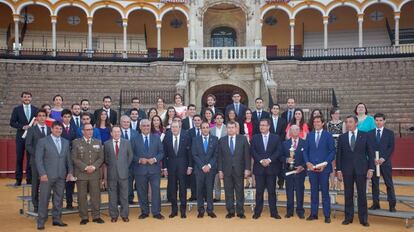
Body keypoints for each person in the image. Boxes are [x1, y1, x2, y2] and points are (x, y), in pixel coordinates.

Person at [336, 115, 374, 227]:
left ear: (356, 123)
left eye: (350, 122)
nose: (348, 124)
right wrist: (338, 170)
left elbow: (370, 153)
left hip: (361, 169)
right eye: (347, 122)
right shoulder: (342, 137)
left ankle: (363, 219)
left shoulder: (365, 135)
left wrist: (371, 168)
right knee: (348, 194)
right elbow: (339, 155)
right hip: (346, 170)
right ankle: (348, 217)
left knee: (362, 194)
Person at [35, 121, 73, 230]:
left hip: (61, 175)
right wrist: (42, 173)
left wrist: (70, 172)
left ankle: (57, 219)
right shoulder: (43, 141)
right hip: (47, 176)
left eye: (60, 129)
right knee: (44, 199)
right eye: (56, 128)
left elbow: (68, 159)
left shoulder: (65, 142)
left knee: (59, 198)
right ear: (51, 129)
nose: (58, 130)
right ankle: (41, 221)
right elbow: (38, 159)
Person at [304, 116, 335, 224]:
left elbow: (332, 152)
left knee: (325, 192)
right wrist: (307, 163)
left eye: (318, 122)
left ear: (323, 123)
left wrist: (325, 164)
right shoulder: (309, 135)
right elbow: (305, 151)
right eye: (314, 122)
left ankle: (327, 215)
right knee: (313, 192)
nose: (316, 123)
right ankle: (314, 214)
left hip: (324, 169)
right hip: (312, 169)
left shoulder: (328, 135)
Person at [72, 123, 105, 225]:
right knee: (82, 197)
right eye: (87, 130)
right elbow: (74, 158)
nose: (89, 131)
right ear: (83, 131)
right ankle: (84, 217)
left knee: (96, 196)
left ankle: (96, 216)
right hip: (81, 174)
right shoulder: (76, 142)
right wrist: (86, 167)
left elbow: (101, 158)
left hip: (94, 174)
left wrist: (94, 167)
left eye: (91, 130)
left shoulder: (98, 142)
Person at [132, 119, 164, 220]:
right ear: (140, 127)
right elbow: (130, 154)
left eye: (148, 126)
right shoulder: (134, 139)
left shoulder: (156, 138)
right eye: (144, 126)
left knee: (156, 191)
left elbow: (161, 152)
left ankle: (156, 212)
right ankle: (144, 212)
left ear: (151, 127)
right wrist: (139, 160)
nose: (146, 127)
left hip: (154, 170)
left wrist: (154, 159)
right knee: (141, 191)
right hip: (140, 170)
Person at [251, 119, 283, 220]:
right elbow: (252, 151)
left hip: (271, 168)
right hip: (259, 169)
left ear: (269, 126)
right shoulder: (255, 137)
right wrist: (261, 160)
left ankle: (274, 212)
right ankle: (257, 212)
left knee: (272, 192)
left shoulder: (276, 138)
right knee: (259, 191)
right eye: (261, 125)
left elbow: (278, 151)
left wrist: (269, 160)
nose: (262, 127)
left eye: (264, 125)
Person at [218, 121, 251, 219]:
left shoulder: (243, 139)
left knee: (239, 191)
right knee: (228, 192)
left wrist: (247, 169)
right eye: (229, 127)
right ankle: (230, 211)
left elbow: (247, 155)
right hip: (226, 170)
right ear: (226, 129)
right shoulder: (222, 140)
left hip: (239, 170)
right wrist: (220, 170)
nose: (231, 129)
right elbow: (219, 157)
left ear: (236, 128)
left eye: (233, 127)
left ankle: (240, 211)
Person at [104, 125, 134, 223]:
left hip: (124, 174)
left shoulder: (127, 143)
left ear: (120, 133)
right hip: (111, 174)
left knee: (124, 196)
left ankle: (125, 215)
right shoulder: (107, 144)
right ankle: (114, 215)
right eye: (114, 132)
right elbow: (106, 158)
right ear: (111, 133)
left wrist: (124, 166)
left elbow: (130, 156)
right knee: (112, 196)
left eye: (118, 132)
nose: (116, 133)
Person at [163, 121, 192, 218]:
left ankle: (183, 211)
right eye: (173, 127)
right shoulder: (167, 138)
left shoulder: (186, 137)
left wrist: (190, 166)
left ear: (179, 127)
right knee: (172, 189)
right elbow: (164, 154)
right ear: (170, 128)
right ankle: (174, 210)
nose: (174, 129)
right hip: (171, 167)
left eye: (176, 127)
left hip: (183, 167)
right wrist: (165, 168)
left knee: (183, 189)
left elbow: (189, 154)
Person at [369, 113, 396, 212]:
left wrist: (383, 158)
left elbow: (391, 147)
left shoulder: (390, 133)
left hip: (385, 163)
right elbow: (369, 148)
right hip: (374, 162)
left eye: (380, 120)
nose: (378, 122)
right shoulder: (370, 133)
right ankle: (376, 204)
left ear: (384, 121)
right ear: (374, 121)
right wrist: (373, 158)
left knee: (388, 183)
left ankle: (392, 205)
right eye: (376, 120)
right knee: (375, 184)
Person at [10, 91, 38, 186]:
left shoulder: (36, 109)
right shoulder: (16, 109)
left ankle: (29, 179)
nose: (27, 98)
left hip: (32, 138)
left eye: (28, 97)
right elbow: (12, 122)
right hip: (20, 137)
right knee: (19, 158)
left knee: (30, 159)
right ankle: (18, 179)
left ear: (31, 98)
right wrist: (22, 127)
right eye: (25, 97)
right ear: (22, 98)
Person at [25, 109, 50, 213]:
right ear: (37, 118)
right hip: (35, 161)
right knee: (36, 183)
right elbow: (28, 145)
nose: (42, 117)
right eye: (40, 115)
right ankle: (36, 205)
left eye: (44, 115)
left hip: (48, 161)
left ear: (46, 117)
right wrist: (38, 155)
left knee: (47, 184)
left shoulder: (50, 129)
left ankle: (45, 205)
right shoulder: (31, 130)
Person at [192, 121, 219, 218]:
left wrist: (209, 166)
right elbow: (194, 154)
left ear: (209, 128)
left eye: (207, 127)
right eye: (203, 127)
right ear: (201, 129)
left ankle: (210, 210)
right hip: (199, 170)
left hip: (210, 170)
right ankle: (200, 210)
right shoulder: (195, 140)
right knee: (199, 190)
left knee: (209, 190)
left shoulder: (215, 139)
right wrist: (203, 166)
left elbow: (216, 155)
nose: (205, 129)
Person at [283, 125, 306, 219]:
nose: (295, 131)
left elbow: (308, 157)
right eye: (293, 129)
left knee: (300, 191)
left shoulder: (305, 143)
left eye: (297, 129)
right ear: (290, 132)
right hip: (289, 171)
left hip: (300, 171)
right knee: (289, 191)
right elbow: (280, 156)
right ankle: (289, 211)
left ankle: (300, 211)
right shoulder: (285, 143)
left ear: (299, 131)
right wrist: (286, 159)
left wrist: (303, 167)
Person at [119, 115, 139, 204]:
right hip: (121, 162)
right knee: (122, 181)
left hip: (134, 162)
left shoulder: (135, 133)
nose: (126, 123)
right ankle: (122, 199)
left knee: (131, 180)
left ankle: (130, 198)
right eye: (124, 122)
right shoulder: (117, 132)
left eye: (128, 122)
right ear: (120, 122)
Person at [60, 109, 77, 210]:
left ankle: (69, 204)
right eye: (65, 117)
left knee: (70, 182)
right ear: (62, 117)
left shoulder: (74, 128)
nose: (67, 118)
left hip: (71, 158)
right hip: (61, 159)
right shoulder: (58, 127)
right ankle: (58, 205)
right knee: (61, 183)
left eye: (68, 117)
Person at [327, 107, 345, 191]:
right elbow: (327, 135)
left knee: (339, 166)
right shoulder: (328, 124)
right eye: (335, 113)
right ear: (332, 114)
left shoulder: (342, 123)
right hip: (331, 147)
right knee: (331, 166)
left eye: (338, 113)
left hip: (340, 146)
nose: (337, 115)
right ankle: (332, 184)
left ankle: (339, 184)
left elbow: (344, 135)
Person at [270, 103, 288, 189]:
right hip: (270, 147)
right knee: (271, 165)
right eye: (274, 108)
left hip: (280, 145)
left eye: (277, 108)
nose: (275, 110)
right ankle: (271, 183)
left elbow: (283, 133)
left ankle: (281, 183)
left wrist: (278, 143)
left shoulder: (283, 121)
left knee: (280, 165)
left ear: (279, 110)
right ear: (271, 110)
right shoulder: (267, 120)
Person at [210, 112, 226, 202]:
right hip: (215, 156)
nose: (219, 120)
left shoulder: (228, 128)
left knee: (227, 177)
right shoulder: (211, 130)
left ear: (223, 119)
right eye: (217, 118)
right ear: (215, 120)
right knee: (216, 177)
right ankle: (217, 196)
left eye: (221, 118)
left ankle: (230, 196)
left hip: (226, 156)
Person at [186, 115, 203, 201]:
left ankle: (203, 195)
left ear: (201, 121)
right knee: (193, 178)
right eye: (195, 120)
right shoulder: (189, 132)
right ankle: (194, 195)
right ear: (193, 121)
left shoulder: (205, 130)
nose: (197, 122)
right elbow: (188, 146)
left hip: (203, 158)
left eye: (198, 120)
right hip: (192, 158)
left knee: (203, 178)